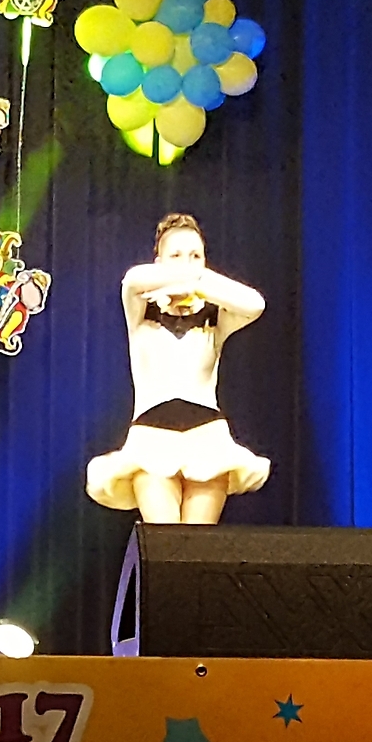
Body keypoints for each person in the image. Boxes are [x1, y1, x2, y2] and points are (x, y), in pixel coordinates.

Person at [87, 213, 269, 524]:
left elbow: (255, 304)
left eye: (195, 256)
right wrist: (184, 279)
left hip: (208, 440)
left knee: (197, 547)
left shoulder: (216, 317)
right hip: (150, 440)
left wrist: (197, 283)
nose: (187, 263)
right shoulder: (141, 309)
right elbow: (132, 279)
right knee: (164, 542)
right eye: (176, 255)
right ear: (159, 262)